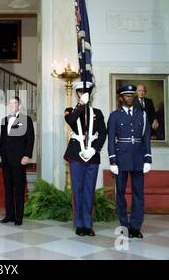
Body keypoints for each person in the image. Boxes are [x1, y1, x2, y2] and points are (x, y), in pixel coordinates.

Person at [108, 85, 152, 239]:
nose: (129, 98)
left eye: (131, 96)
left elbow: (146, 137)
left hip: (138, 157)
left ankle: (135, 227)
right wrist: (112, 160)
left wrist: (148, 158)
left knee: (138, 193)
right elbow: (111, 140)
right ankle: (124, 225)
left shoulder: (142, 115)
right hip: (121, 158)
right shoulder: (114, 116)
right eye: (126, 96)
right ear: (121, 98)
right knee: (120, 192)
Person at [63, 82, 107, 236]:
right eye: (80, 91)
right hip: (76, 154)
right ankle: (79, 224)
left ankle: (88, 224)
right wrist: (81, 104)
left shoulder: (98, 112)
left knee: (89, 190)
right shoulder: (70, 111)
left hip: (92, 156)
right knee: (78, 189)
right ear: (76, 93)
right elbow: (71, 121)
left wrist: (94, 149)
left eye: (86, 91)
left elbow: (103, 133)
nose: (83, 93)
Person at [0, 97, 34, 226]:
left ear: (19, 105)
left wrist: (27, 155)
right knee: (8, 189)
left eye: (15, 103)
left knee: (19, 189)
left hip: (19, 160)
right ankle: (9, 215)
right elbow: (3, 141)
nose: (12, 105)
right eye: (10, 103)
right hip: (6, 160)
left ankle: (19, 217)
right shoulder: (4, 120)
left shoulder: (26, 119)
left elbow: (30, 139)